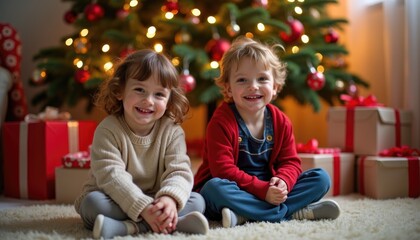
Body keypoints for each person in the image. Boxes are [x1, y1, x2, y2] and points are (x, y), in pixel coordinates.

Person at [193, 36, 341, 228]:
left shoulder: (281, 121)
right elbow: (223, 171)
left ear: (275, 86)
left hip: (268, 188)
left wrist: (283, 182)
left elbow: (290, 162)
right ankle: (289, 213)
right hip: (231, 188)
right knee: (214, 188)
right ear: (228, 88)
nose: (253, 86)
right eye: (242, 80)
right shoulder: (221, 122)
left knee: (321, 178)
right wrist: (263, 191)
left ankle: (246, 215)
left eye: (262, 79)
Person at [74, 49, 209, 239]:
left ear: (169, 99)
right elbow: (112, 176)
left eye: (159, 94)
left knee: (198, 201)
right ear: (120, 91)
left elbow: (179, 171)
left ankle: (127, 228)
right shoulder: (108, 129)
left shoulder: (172, 131)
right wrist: (142, 206)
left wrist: (169, 199)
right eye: (139, 90)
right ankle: (172, 224)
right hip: (113, 196)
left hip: (157, 197)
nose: (148, 101)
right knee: (92, 204)